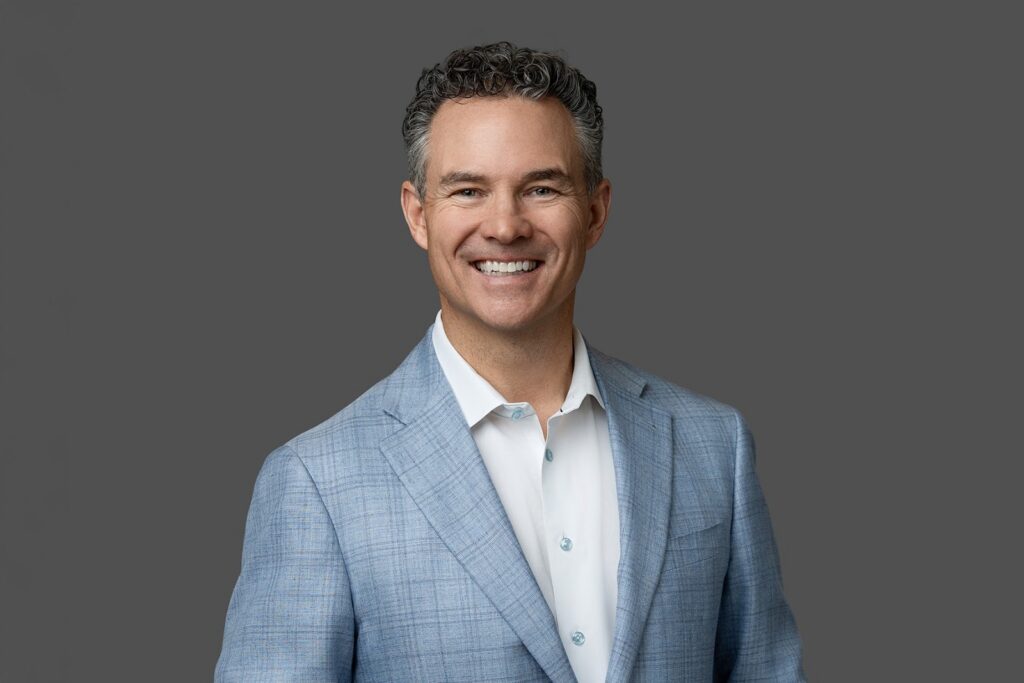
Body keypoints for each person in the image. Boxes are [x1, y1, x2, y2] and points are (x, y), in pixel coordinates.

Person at [215, 41, 805, 682]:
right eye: (468, 190)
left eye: (542, 187)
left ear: (597, 211)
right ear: (418, 214)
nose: (505, 225)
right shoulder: (316, 483)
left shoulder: (713, 446)